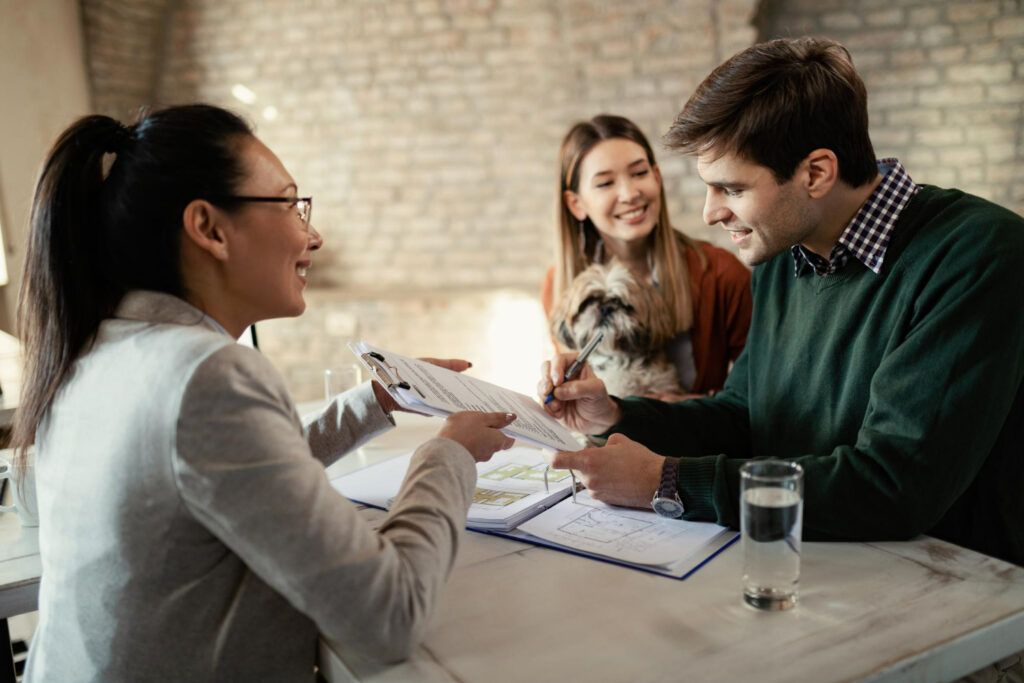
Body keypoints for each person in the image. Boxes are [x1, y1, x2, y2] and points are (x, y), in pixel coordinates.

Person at [12, 104, 517, 681]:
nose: (315, 234)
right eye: (291, 204)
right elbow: (387, 618)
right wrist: (450, 451)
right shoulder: (207, 372)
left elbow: (227, 481)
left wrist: (373, 401)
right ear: (209, 228)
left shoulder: (97, 347)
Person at [539, 37, 1024, 568]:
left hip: (956, 593)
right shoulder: (782, 254)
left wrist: (668, 481)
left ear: (816, 173)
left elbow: (895, 483)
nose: (709, 213)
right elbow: (746, 415)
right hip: (818, 562)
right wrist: (616, 413)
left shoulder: (979, 254)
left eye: (731, 189)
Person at [541, 114, 751, 399]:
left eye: (639, 173)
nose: (629, 194)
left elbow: (763, 394)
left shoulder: (721, 274)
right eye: (605, 183)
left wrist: (685, 408)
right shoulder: (559, 284)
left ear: (657, 177)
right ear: (576, 204)